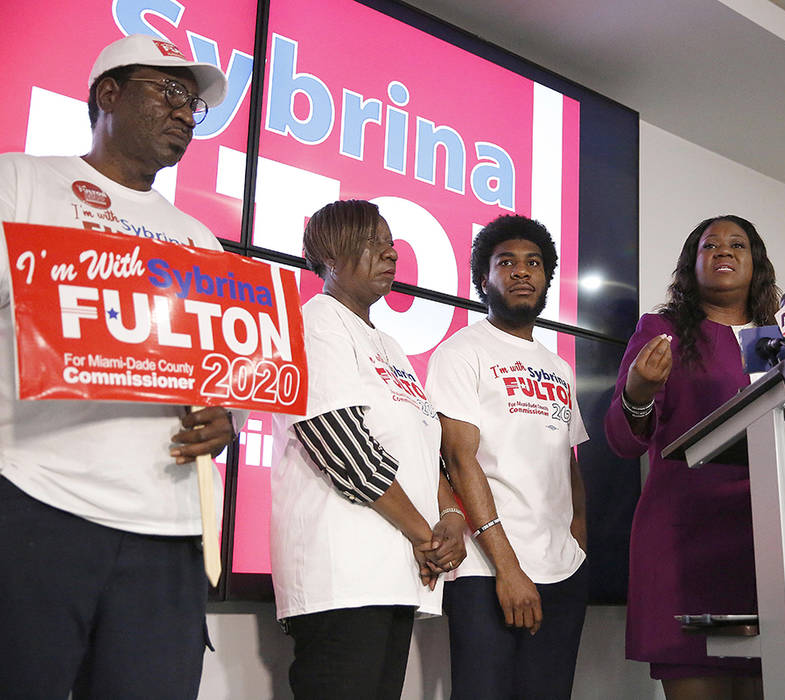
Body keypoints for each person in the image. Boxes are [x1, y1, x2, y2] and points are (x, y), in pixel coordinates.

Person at [0, 34, 237, 699]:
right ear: (109, 93)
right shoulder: (20, 181)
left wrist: (223, 420)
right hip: (35, 503)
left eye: (194, 105)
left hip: (168, 531)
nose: (186, 114)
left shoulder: (199, 240)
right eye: (169, 93)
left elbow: (220, 377)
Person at [269, 199, 466, 700]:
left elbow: (426, 449)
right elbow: (343, 448)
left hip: (392, 577)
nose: (391, 252)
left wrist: (450, 516)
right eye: (373, 241)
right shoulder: (317, 322)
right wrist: (426, 536)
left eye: (390, 241)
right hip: (342, 579)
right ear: (330, 255)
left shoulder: (391, 346)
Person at [604, 215, 780, 700]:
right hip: (686, 540)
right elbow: (623, 439)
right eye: (710, 245)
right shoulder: (662, 331)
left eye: (737, 243)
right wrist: (637, 392)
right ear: (692, 263)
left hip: (764, 543)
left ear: (755, 262)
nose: (723, 251)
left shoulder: (778, 343)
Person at [426, 214, 589, 699]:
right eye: (507, 262)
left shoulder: (558, 365)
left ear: (546, 279)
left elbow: (569, 464)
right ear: (484, 279)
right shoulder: (462, 351)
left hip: (561, 569)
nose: (522, 271)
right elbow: (458, 459)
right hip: (487, 568)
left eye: (534, 263)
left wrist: (576, 548)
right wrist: (509, 567)